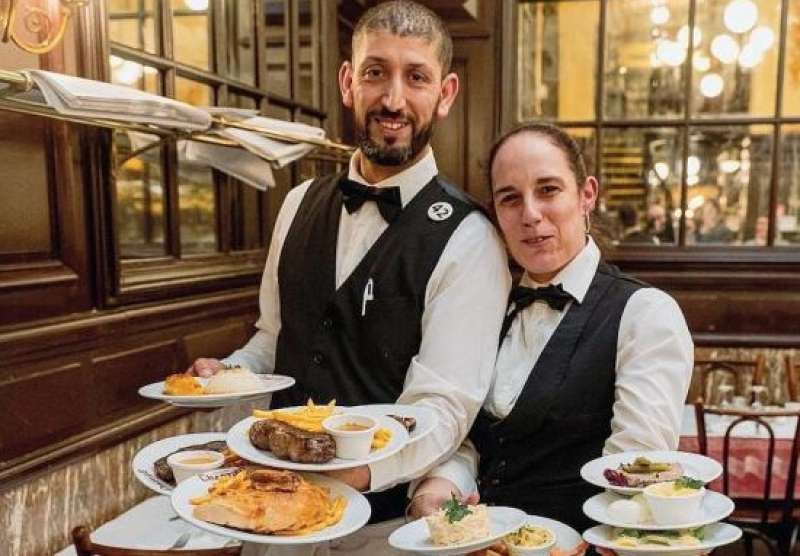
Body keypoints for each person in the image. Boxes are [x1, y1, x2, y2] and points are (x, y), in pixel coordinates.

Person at [188, 1, 510, 553]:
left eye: (416, 77)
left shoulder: (470, 237)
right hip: (269, 511)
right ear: (347, 81)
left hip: (382, 528)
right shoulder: (296, 204)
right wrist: (231, 372)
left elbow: (444, 406)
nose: (392, 99)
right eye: (375, 72)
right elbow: (273, 339)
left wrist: (350, 475)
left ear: (446, 93)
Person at [409, 123, 693, 535]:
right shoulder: (485, 306)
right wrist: (438, 488)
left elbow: (633, 475)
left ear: (586, 195)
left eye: (548, 190)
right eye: (510, 198)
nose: (530, 215)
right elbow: (471, 439)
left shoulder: (645, 314)